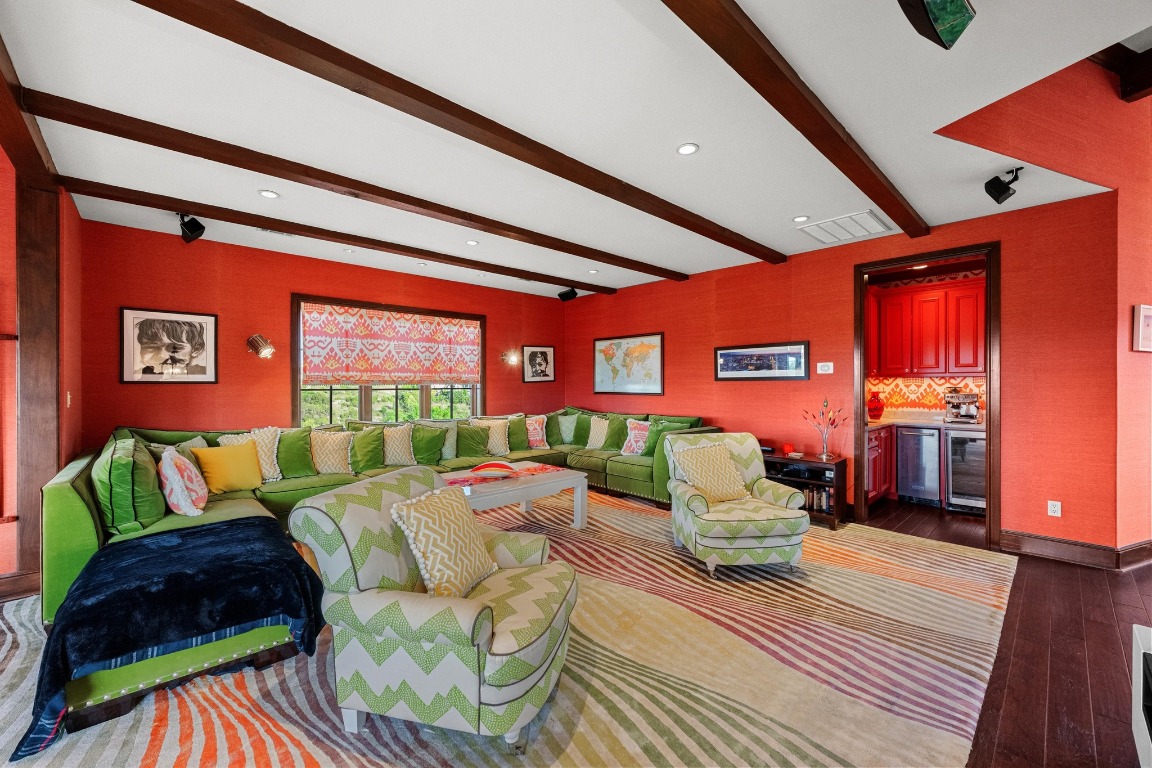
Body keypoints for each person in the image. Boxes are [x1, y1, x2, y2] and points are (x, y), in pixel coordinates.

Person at [136, 318, 207, 375]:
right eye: (151, 347)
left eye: (175, 348)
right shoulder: (135, 375)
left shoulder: (202, 374)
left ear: (196, 350)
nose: (163, 356)